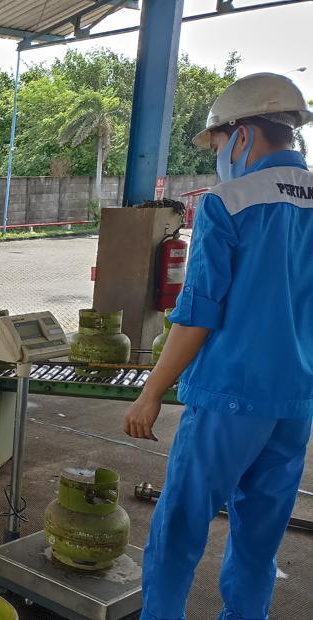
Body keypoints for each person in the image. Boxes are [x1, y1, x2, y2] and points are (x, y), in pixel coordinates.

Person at [122, 73, 313, 620]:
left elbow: (197, 315)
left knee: (180, 525)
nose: (220, 157)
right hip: (296, 405)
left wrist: (151, 393)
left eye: (218, 145)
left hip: (230, 395)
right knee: (259, 539)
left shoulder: (227, 203)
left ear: (244, 135)